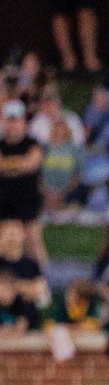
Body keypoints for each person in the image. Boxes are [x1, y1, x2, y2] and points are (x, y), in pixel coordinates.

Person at [0, 101, 46, 265]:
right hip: (3, 203)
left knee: (33, 243)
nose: (12, 125)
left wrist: (8, 165)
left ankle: (43, 283)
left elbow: (31, 164)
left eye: (16, 120)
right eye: (9, 120)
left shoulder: (33, 143)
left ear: (23, 122)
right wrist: (19, 164)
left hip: (27, 203)